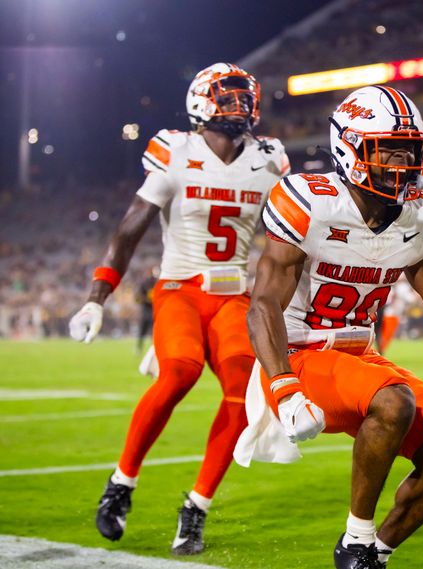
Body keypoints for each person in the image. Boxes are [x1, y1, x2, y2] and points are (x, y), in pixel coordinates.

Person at [244, 85, 423, 568]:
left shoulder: (418, 212)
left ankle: (375, 555)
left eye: (410, 151)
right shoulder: (310, 201)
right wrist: (283, 387)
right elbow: (262, 303)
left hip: (357, 357)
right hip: (297, 357)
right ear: (348, 147)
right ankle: (357, 540)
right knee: (393, 399)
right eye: (388, 150)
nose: (402, 164)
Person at [68, 62, 290, 555]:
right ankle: (122, 482)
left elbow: (289, 236)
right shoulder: (175, 150)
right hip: (180, 289)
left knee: (243, 390)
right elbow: (130, 229)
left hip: (235, 295)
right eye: (227, 95)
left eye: (243, 95)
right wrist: (96, 296)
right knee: (180, 372)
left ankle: (197, 507)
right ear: (200, 103)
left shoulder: (271, 158)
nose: (240, 105)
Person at [135, 265, 159, 354]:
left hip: (155, 310)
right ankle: (139, 347)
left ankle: (154, 348)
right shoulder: (144, 283)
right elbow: (138, 297)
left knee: (155, 331)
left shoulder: (158, 282)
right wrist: (148, 299)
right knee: (142, 330)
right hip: (146, 310)